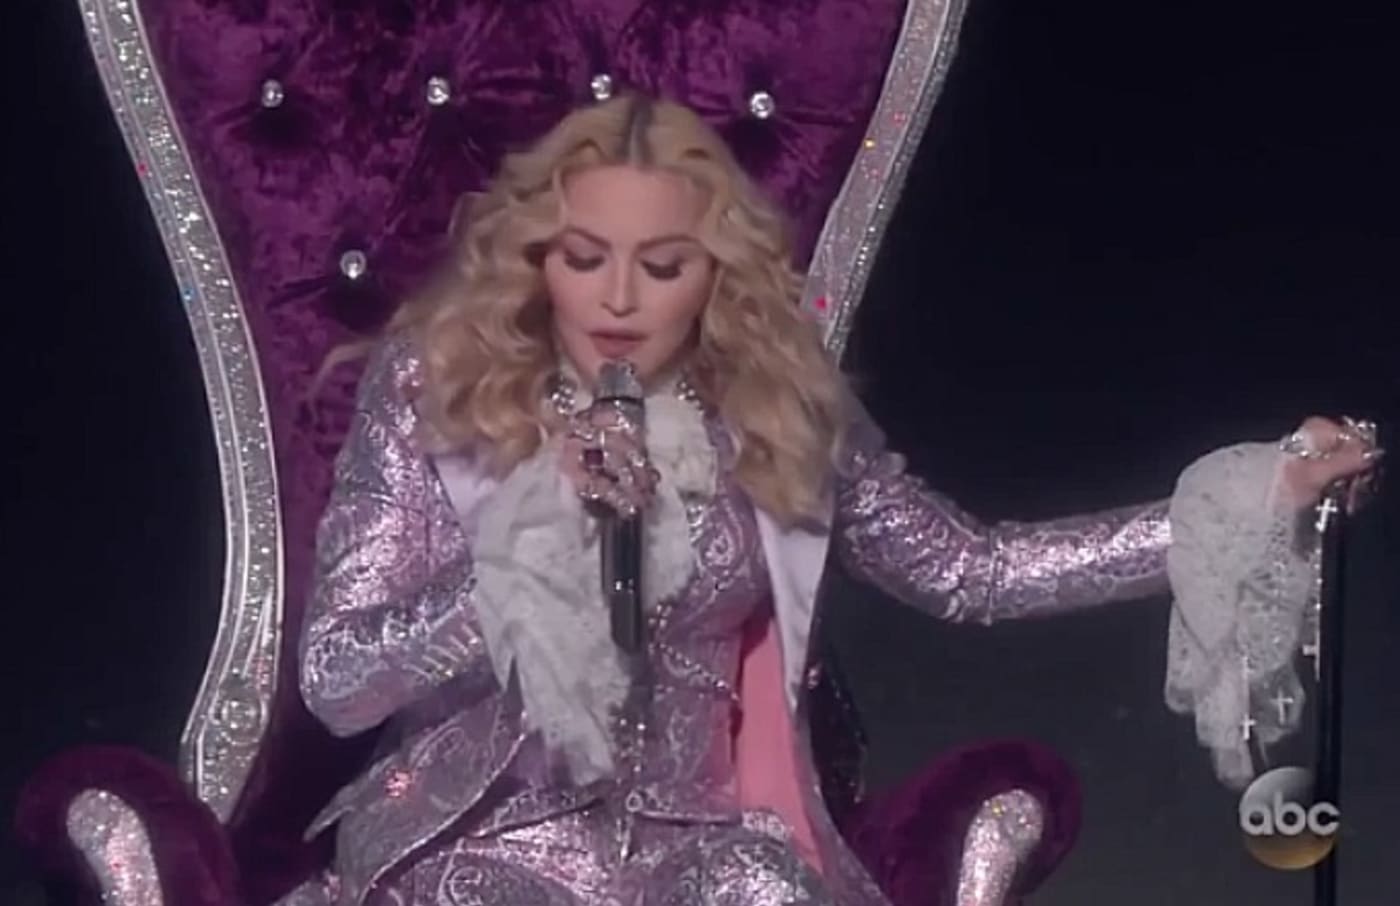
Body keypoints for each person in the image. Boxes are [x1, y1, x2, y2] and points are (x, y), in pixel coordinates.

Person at [285, 94, 1379, 906]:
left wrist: (1261, 496)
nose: (618, 298)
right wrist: (522, 562)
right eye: (584, 258)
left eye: (661, 267)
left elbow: (973, 571)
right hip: (481, 839)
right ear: (537, 259)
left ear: (713, 273)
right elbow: (336, 681)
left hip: (694, 840)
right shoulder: (440, 392)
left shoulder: (771, 411)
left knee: (768, 893)